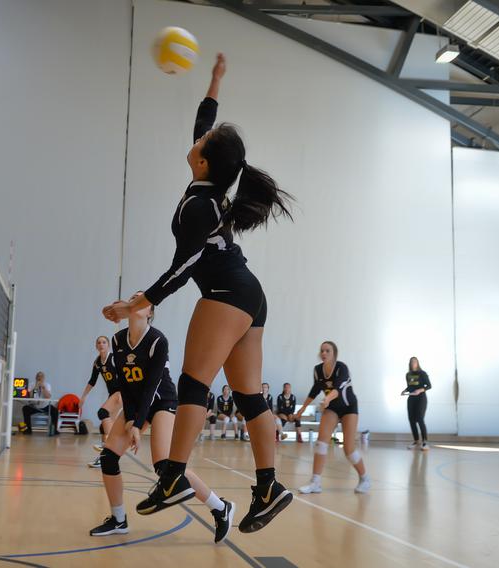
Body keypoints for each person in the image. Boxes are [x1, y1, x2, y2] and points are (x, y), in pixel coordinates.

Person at [104, 53, 294, 534]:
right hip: (250, 295)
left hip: (227, 291)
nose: (197, 140)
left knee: (193, 384)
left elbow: (185, 266)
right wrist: (214, 81)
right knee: (250, 396)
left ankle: (172, 477)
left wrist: (137, 303)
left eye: (202, 143)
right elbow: (204, 123)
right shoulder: (206, 183)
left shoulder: (200, 204)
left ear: (204, 160)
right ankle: (268, 487)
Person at [90, 295, 234, 543]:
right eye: (133, 297)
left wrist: (137, 424)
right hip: (137, 403)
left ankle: (221, 508)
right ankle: (119, 519)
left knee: (166, 468)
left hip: (162, 400)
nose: (136, 300)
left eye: (142, 300)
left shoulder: (158, 340)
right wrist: (130, 419)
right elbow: (124, 384)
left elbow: (151, 387)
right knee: (108, 457)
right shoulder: (117, 339)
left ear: (150, 313)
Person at [293, 341, 370, 494]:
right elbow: (314, 390)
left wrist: (327, 399)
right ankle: (315, 482)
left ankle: (365, 478)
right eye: (322, 350)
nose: (324, 353)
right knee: (321, 442)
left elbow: (337, 390)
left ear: (334, 353)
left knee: (349, 449)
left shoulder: (342, 368)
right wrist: (301, 410)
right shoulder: (317, 370)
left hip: (349, 407)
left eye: (327, 350)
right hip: (332, 408)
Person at [79, 335, 123, 467]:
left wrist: (124, 392)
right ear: (96, 346)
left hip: (121, 393)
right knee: (104, 427)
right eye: (99, 342)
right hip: (112, 394)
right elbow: (92, 381)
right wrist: (84, 396)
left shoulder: (114, 358)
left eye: (104, 342)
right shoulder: (97, 362)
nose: (101, 344)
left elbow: (124, 375)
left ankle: (107, 445)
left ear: (108, 345)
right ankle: (105, 459)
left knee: (103, 413)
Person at [402, 356, 431, 450]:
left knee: (420, 419)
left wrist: (420, 390)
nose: (413, 363)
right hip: (411, 399)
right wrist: (405, 390)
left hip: (421, 399)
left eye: (415, 361)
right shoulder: (408, 374)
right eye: (411, 362)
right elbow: (410, 387)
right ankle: (416, 441)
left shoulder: (422, 373)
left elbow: (429, 386)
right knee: (411, 420)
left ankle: (425, 442)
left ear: (418, 363)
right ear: (410, 364)